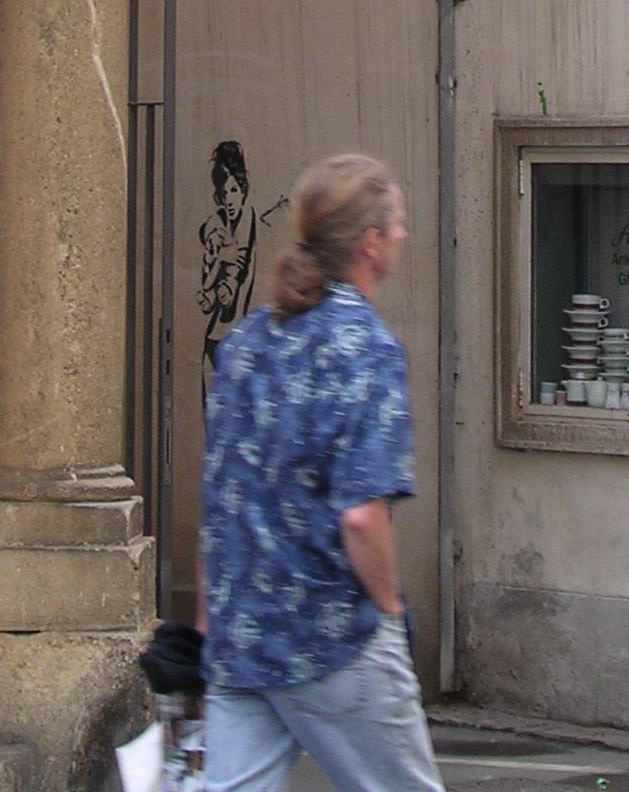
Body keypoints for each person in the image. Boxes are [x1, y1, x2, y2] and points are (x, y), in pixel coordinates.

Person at [198, 153, 444, 792]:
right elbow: (361, 514)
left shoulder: (246, 343)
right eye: (397, 224)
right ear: (371, 243)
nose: (403, 234)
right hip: (327, 634)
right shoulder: (364, 348)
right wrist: (388, 610)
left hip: (241, 633)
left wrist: (208, 617)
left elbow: (223, 495)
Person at [198, 139, 258, 407]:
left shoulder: (247, 219)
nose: (229, 199)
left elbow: (237, 268)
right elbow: (209, 296)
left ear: (243, 190)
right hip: (217, 335)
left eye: (234, 190)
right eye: (224, 193)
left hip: (234, 336)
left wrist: (224, 271)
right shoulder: (219, 227)